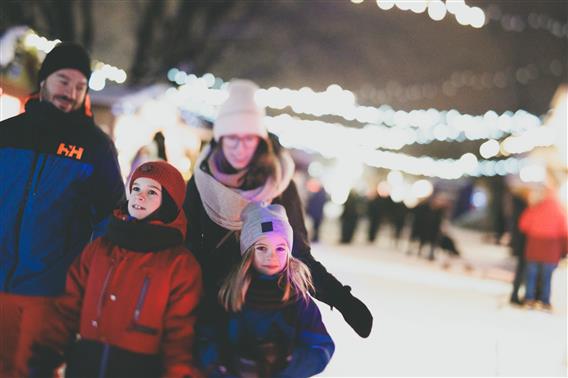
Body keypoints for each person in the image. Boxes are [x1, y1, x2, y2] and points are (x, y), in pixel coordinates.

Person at [183, 79, 373, 338]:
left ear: (259, 140)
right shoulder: (201, 181)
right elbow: (186, 246)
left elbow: (298, 254)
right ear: (220, 140)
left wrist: (342, 300)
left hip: (268, 306)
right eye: (232, 139)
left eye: (249, 138)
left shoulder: (279, 184)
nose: (240, 148)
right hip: (212, 304)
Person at [0, 42, 124, 377]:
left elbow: (111, 217)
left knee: (34, 370)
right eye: (63, 81)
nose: (70, 91)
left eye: (80, 86)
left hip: (50, 290)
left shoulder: (95, 147)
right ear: (44, 81)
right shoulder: (7, 133)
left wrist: (85, 276)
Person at [28, 161, 203, 377]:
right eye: (136, 188)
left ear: (168, 202)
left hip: (139, 369)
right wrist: (47, 354)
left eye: (152, 192)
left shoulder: (180, 264)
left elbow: (180, 334)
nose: (139, 196)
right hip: (85, 365)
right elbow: (69, 306)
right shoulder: (100, 249)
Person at [197, 202, 334, 377]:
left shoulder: (298, 299)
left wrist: (286, 365)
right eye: (262, 248)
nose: (272, 257)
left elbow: (321, 347)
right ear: (247, 251)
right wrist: (222, 369)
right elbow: (205, 339)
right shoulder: (227, 293)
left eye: (280, 248)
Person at [519, 186, 568, 310]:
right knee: (547, 277)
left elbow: (523, 225)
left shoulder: (536, 208)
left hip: (534, 248)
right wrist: (564, 250)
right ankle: (544, 300)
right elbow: (564, 233)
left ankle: (529, 298)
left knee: (531, 275)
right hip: (551, 250)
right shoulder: (560, 212)